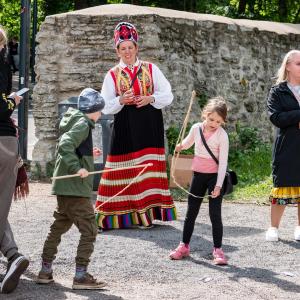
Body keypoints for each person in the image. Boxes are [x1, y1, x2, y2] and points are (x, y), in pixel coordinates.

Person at [95, 22, 177, 229]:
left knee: (146, 170)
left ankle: (146, 215)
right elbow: (105, 105)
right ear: (117, 51)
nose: (127, 51)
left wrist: (149, 98)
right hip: (125, 127)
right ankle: (111, 216)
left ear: (137, 48)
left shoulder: (151, 68)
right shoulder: (112, 74)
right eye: (123, 48)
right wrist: (121, 100)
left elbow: (167, 94)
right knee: (121, 168)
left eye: (130, 47)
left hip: (149, 125)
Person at [36, 88, 107, 290]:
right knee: (90, 230)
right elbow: (65, 144)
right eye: (99, 111)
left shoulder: (75, 120)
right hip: (75, 189)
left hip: (64, 188)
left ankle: (45, 271)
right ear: (93, 109)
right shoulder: (84, 123)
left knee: (58, 227)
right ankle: (80, 276)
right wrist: (78, 168)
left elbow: (71, 145)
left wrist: (87, 154)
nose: (100, 115)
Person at [169, 97, 229, 265]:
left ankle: (218, 250)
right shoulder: (196, 128)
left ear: (222, 122)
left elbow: (223, 162)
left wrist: (218, 185)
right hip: (198, 175)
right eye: (211, 119)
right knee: (191, 213)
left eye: (218, 121)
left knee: (214, 215)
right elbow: (187, 143)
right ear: (205, 115)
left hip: (214, 178)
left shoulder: (222, 136)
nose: (213, 123)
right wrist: (180, 146)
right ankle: (184, 246)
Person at [0, 26, 29, 294]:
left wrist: (9, 102)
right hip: (7, 141)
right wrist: (13, 101)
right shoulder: (4, 66)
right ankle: (12, 255)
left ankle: (12, 256)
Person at [266, 50, 300, 242]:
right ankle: (273, 227)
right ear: (287, 66)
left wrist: (293, 116)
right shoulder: (277, 91)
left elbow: (286, 116)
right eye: (299, 63)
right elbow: (276, 118)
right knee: (281, 186)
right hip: (286, 147)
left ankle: (299, 227)